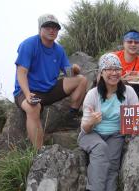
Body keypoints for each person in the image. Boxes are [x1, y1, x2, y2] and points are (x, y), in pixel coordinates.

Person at [78, 53, 139, 191]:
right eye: (109, 69)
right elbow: (85, 128)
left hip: (116, 135)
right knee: (100, 148)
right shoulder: (92, 94)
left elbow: (136, 118)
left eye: (117, 68)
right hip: (91, 134)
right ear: (101, 73)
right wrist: (91, 122)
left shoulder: (129, 93)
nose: (114, 73)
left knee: (112, 169)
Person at [13, 13, 87, 149]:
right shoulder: (29, 44)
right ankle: (38, 152)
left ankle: (71, 116)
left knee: (81, 80)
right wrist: (28, 94)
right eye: (48, 27)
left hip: (49, 90)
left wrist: (75, 70)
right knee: (33, 108)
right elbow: (21, 73)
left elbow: (68, 73)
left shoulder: (59, 50)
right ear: (40, 29)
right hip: (27, 91)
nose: (52, 30)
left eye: (55, 28)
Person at [114, 29, 139, 104]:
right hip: (114, 89)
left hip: (132, 91)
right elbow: (102, 77)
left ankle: (137, 112)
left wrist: (125, 80)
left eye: (136, 42)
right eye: (129, 42)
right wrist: (120, 80)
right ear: (124, 43)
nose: (133, 44)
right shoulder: (114, 57)